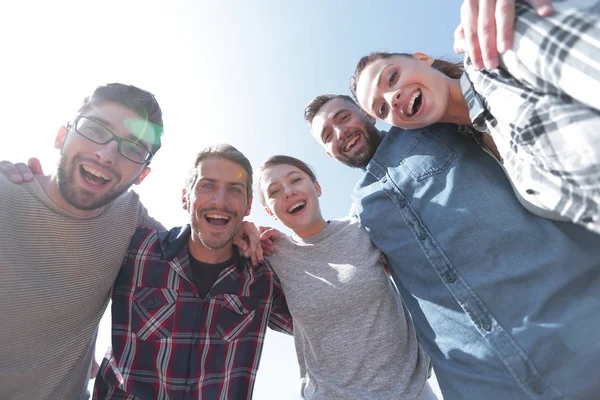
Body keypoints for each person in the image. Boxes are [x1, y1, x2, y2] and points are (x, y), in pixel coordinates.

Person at [304, 93, 600, 400]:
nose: (340, 133)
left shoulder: (429, 124)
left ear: (368, 114)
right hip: (477, 378)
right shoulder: (360, 212)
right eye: (327, 135)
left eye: (343, 117)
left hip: (572, 323)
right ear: (329, 153)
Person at [350, 0, 600, 234]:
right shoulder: (485, 152)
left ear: (423, 59)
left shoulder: (497, 50)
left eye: (392, 77)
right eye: (381, 109)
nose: (391, 98)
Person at [0, 83, 165, 399]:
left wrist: (245, 231)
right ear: (61, 136)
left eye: (133, 148)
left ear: (142, 174)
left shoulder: (131, 218)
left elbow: (202, 245)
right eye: (95, 129)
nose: (106, 154)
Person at [93, 144, 293, 399]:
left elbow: (320, 323)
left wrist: (288, 251)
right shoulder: (137, 250)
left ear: (248, 206)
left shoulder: (261, 279)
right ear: (185, 196)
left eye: (234, 189)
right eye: (207, 185)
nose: (220, 201)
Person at [256, 155, 435, 399]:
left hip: (411, 390)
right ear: (270, 211)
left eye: (295, 180)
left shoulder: (362, 228)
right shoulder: (270, 256)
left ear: (316, 187)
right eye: (274, 191)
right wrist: (245, 234)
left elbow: (418, 275)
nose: (287, 192)